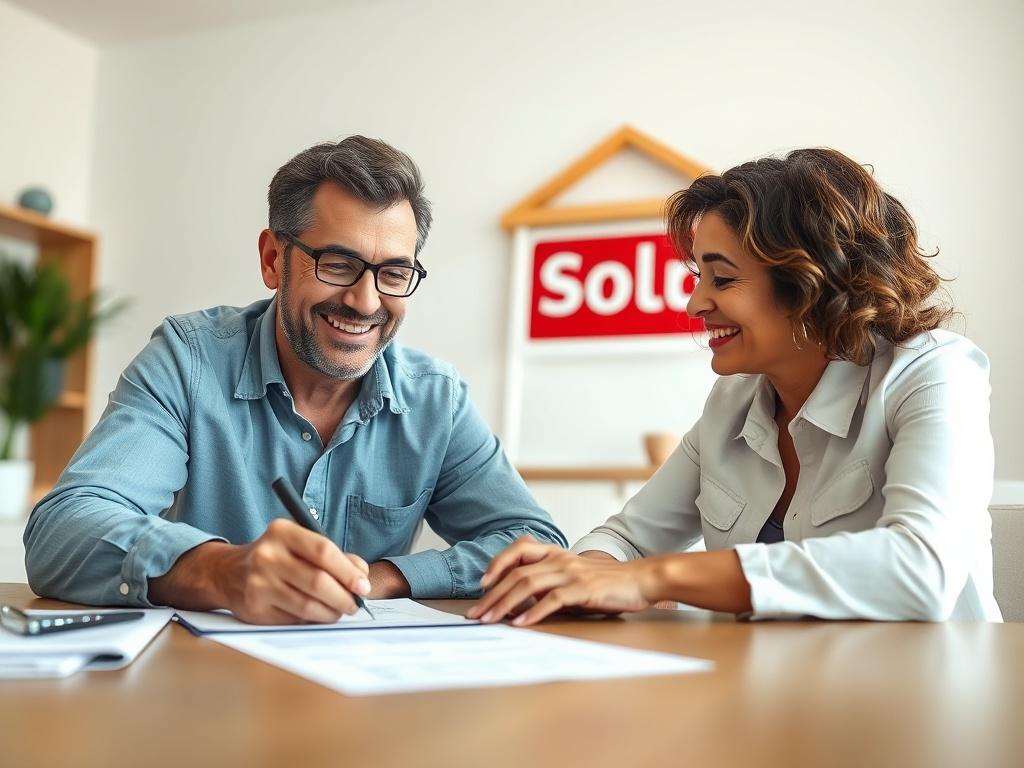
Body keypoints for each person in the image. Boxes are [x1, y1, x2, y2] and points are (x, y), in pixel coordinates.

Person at [24, 136, 566, 624]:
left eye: (394, 273)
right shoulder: (187, 362)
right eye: (337, 263)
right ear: (271, 259)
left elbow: (536, 545)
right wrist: (219, 570)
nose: (366, 301)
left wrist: (385, 577)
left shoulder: (435, 400)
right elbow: (63, 529)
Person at [469, 147, 1001, 625]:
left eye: (722, 279)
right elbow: (628, 538)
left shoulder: (935, 372)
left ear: (813, 283)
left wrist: (656, 578)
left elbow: (921, 569)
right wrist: (584, 576)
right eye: (697, 278)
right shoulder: (734, 400)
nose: (695, 303)